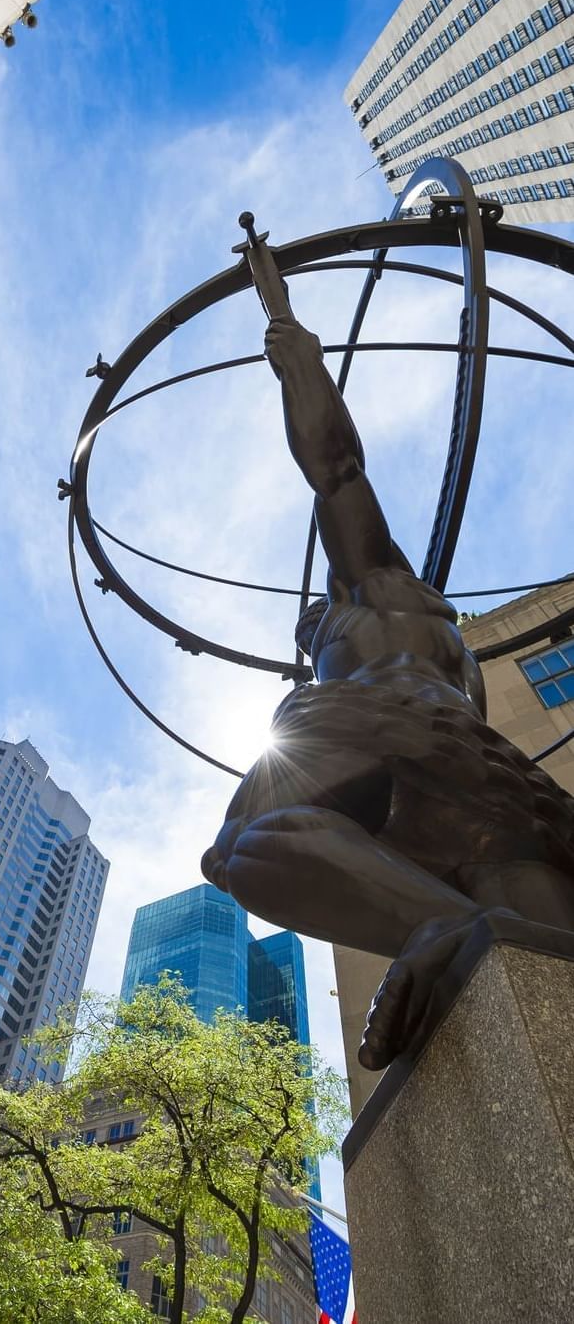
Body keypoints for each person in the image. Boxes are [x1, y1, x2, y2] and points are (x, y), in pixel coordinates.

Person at [201, 317, 574, 1069]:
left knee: (240, 847)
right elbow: (469, 765)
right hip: (484, 779)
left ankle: (438, 922)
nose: (311, 628)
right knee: (543, 950)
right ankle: (463, 926)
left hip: (390, 729)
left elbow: (336, 467)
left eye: (315, 623)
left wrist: (300, 364)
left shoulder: (369, 587)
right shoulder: (444, 645)